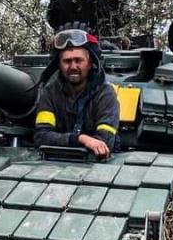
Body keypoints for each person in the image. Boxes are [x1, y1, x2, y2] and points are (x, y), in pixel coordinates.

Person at [34, 28, 120, 158]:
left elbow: (104, 142)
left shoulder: (105, 94)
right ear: (59, 64)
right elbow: (41, 136)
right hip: (53, 161)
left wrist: (63, 141)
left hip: (95, 165)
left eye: (78, 60)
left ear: (90, 63)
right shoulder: (50, 93)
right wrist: (81, 139)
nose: (73, 66)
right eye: (67, 61)